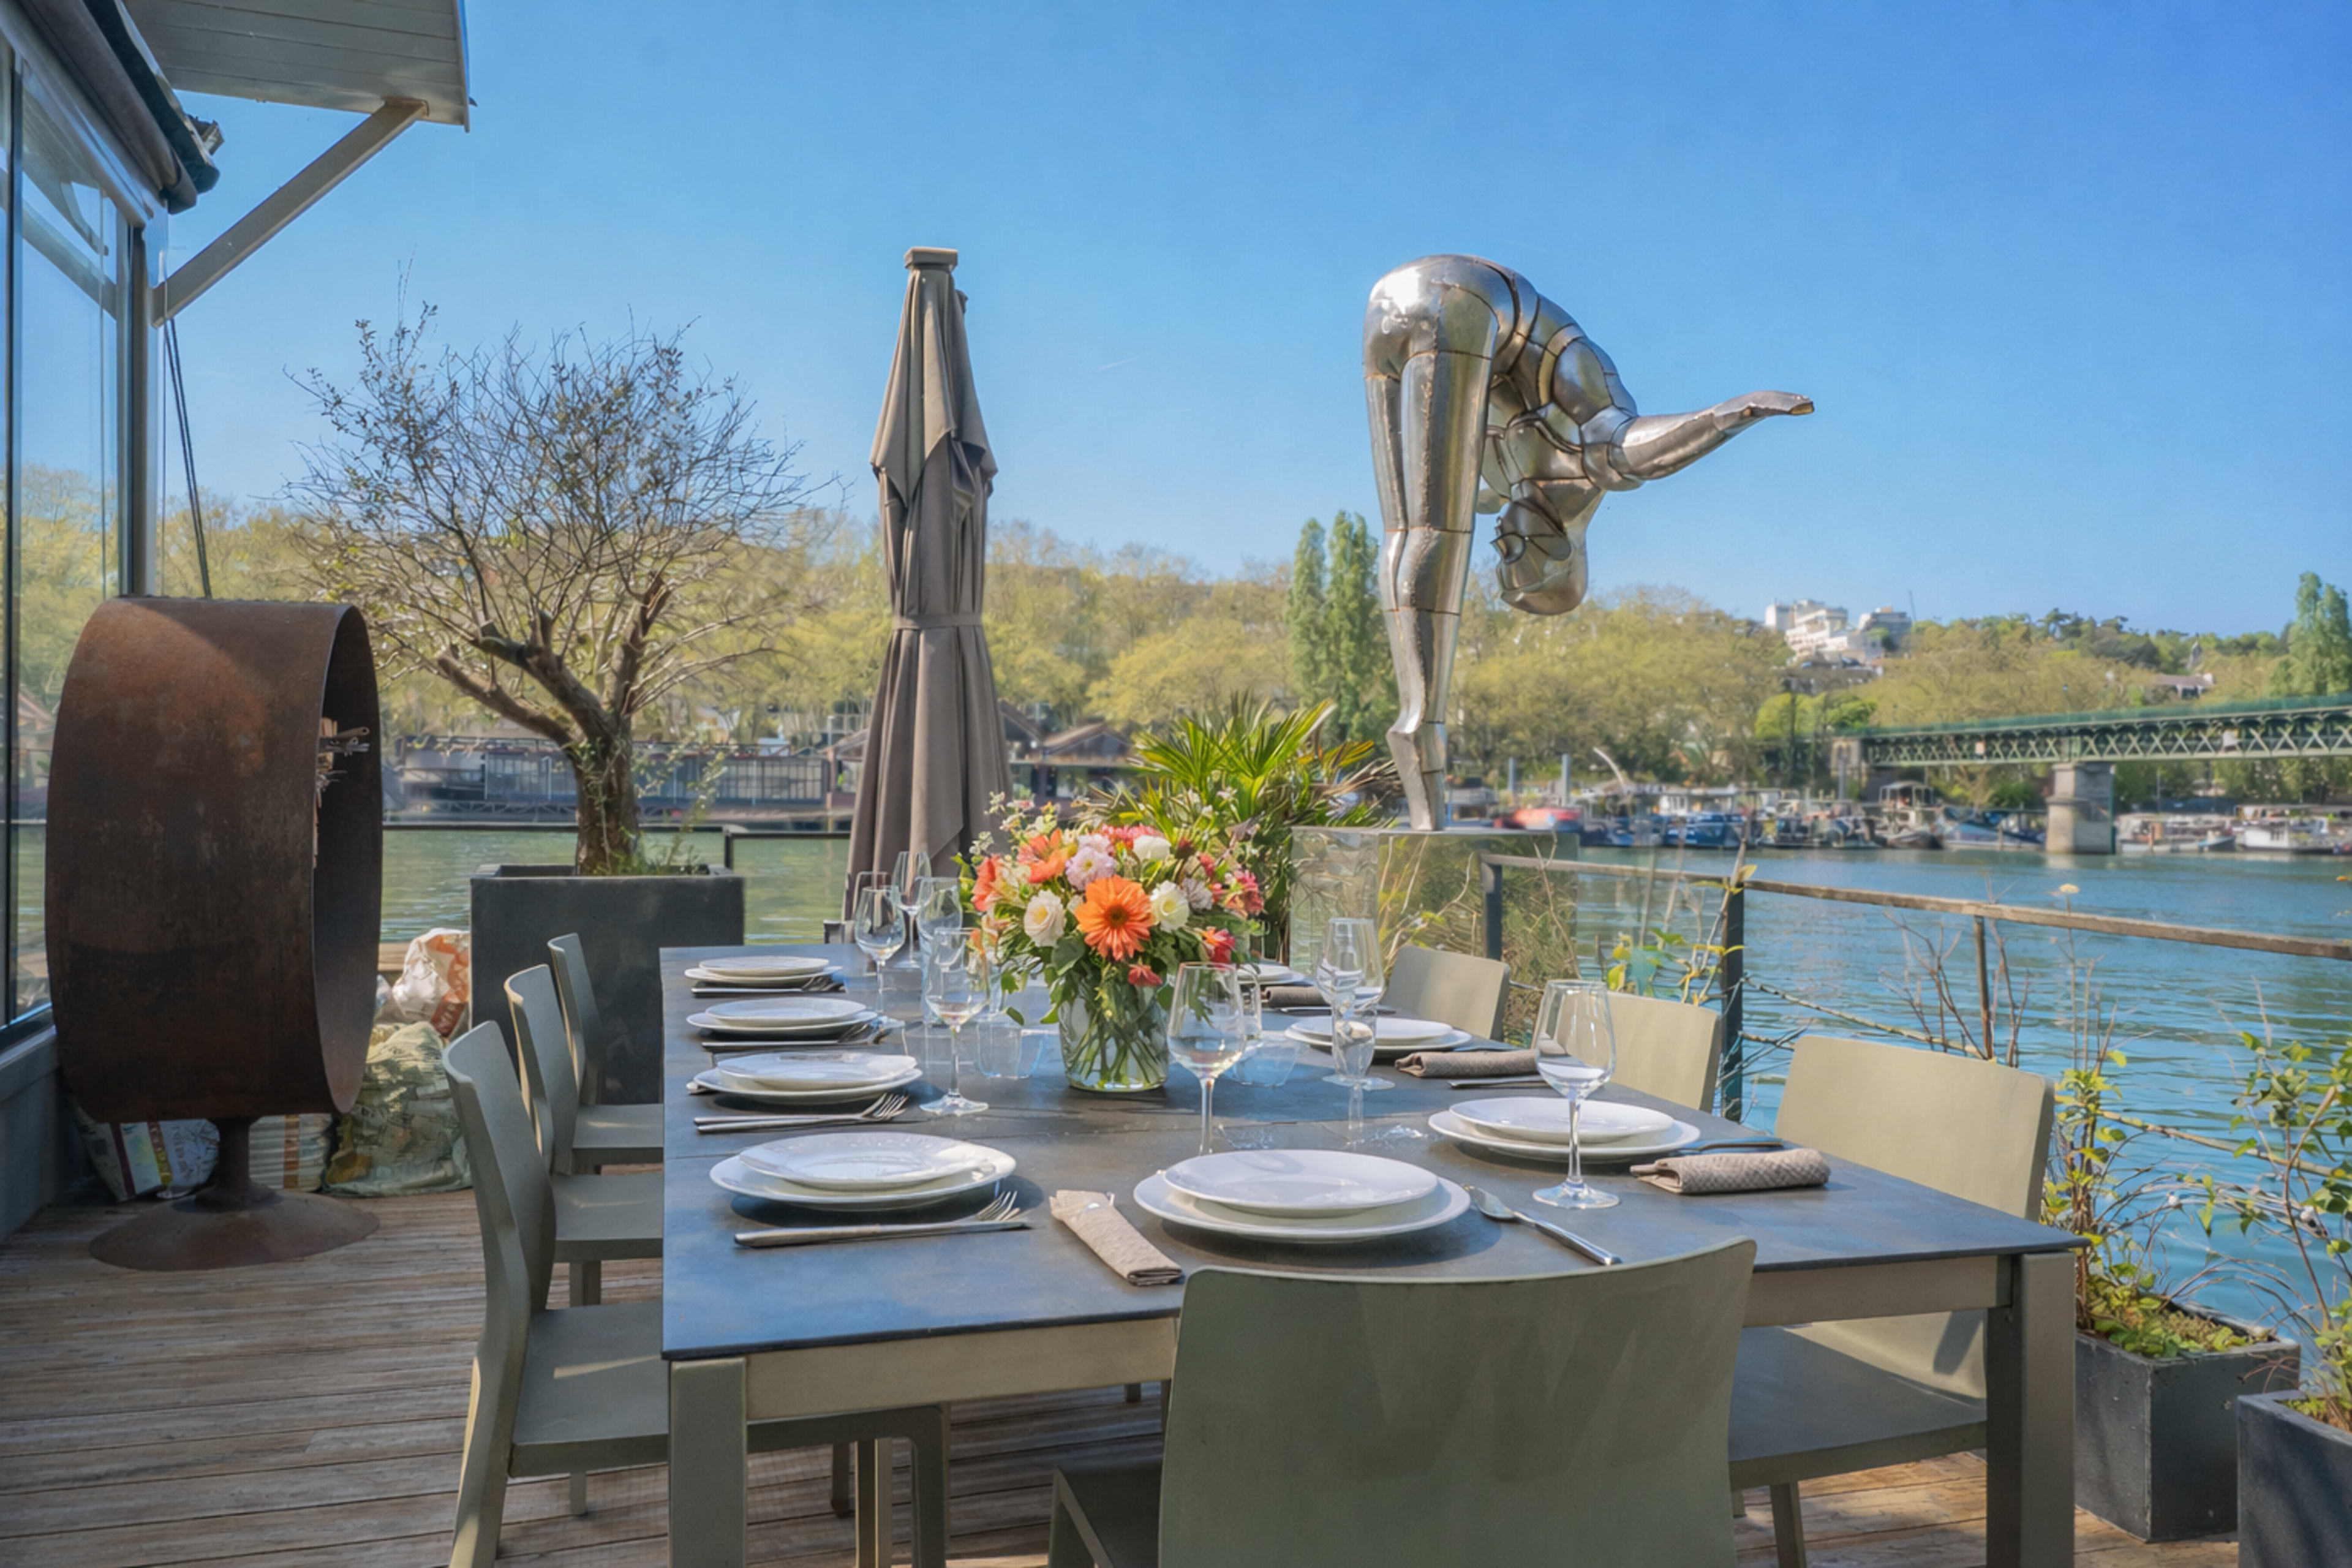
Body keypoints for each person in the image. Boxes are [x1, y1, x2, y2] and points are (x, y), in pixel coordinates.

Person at [1363, 254, 1812, 829]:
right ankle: (1423, 739)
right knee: (1431, 535)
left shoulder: (1503, 485)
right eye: (1514, 559)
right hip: (1471, 299)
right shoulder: (1600, 461)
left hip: (1389, 308)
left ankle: (1422, 765)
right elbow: (1655, 448)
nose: (1501, 543)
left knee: (1406, 532)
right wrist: (1734, 413)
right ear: (1560, 555)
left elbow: (1451, 485)